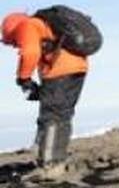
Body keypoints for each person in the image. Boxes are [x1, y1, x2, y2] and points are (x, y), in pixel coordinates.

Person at [2, 9, 89, 176]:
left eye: (12, 42)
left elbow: (30, 52)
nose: (14, 46)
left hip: (59, 72)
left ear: (11, 30)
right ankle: (57, 161)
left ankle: (50, 165)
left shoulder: (26, 26)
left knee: (52, 117)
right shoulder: (43, 25)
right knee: (62, 115)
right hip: (77, 68)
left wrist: (23, 78)